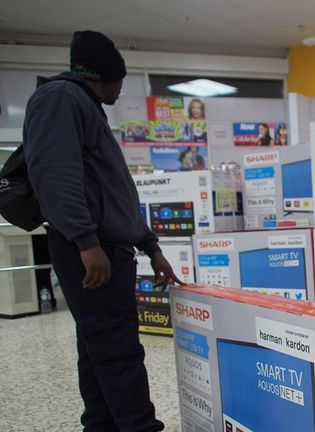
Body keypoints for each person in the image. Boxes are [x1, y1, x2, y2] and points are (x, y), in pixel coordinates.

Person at [23, 30, 181, 431]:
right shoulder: (61, 98)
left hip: (107, 246)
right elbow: (54, 176)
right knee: (117, 348)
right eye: (120, 79)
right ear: (103, 75)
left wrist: (150, 246)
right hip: (93, 251)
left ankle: (101, 425)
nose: (121, 88)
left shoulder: (83, 104)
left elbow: (113, 190)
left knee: (98, 347)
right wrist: (85, 241)